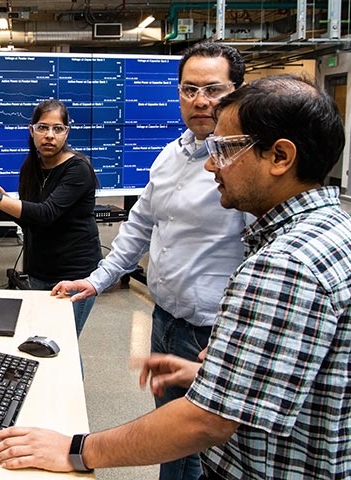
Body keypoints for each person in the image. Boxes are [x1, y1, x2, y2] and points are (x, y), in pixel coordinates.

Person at [0, 74, 351, 479]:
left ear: (280, 157)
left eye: (225, 149)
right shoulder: (328, 232)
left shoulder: (285, 264)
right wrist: (218, 373)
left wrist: (76, 450)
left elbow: (206, 422)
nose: (212, 163)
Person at [51, 40, 248, 479]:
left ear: (237, 90)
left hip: (212, 332)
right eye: (189, 89)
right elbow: (139, 228)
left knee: (199, 442)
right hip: (167, 321)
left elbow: (260, 255)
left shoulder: (246, 166)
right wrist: (97, 281)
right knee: (173, 440)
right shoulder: (171, 156)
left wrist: (233, 338)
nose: (200, 101)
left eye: (213, 90)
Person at [0, 99, 102, 335]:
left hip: (74, 276)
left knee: (61, 346)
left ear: (66, 133)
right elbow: (29, 219)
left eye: (57, 129)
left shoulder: (78, 168)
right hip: (39, 272)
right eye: (42, 127)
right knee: (38, 341)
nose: (49, 135)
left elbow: (46, 214)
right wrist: (0, 197)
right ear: (32, 131)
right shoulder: (31, 166)